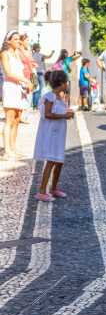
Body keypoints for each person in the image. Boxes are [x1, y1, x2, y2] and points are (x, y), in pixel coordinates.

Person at [33, 70, 74, 201]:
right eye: (66, 82)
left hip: (58, 135)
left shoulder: (59, 97)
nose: (67, 85)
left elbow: (58, 111)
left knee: (59, 161)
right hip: (51, 135)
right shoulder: (50, 97)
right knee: (51, 161)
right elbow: (48, 114)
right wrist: (64, 115)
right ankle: (42, 191)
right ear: (62, 83)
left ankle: (54, 188)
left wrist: (67, 112)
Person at [1, 30, 33, 159]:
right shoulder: (4, 54)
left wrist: (26, 84)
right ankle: (7, 151)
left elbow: (27, 64)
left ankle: (13, 148)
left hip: (20, 87)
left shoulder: (18, 54)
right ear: (8, 41)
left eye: (19, 39)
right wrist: (26, 81)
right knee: (9, 119)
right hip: (10, 87)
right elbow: (8, 73)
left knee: (17, 119)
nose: (18, 41)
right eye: (15, 39)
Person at [31, 44, 54, 108]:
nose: (39, 48)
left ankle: (34, 104)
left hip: (33, 73)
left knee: (35, 89)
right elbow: (49, 56)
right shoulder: (41, 55)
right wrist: (52, 53)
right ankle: (37, 104)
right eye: (38, 47)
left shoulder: (31, 55)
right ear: (36, 48)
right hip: (40, 73)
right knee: (41, 89)